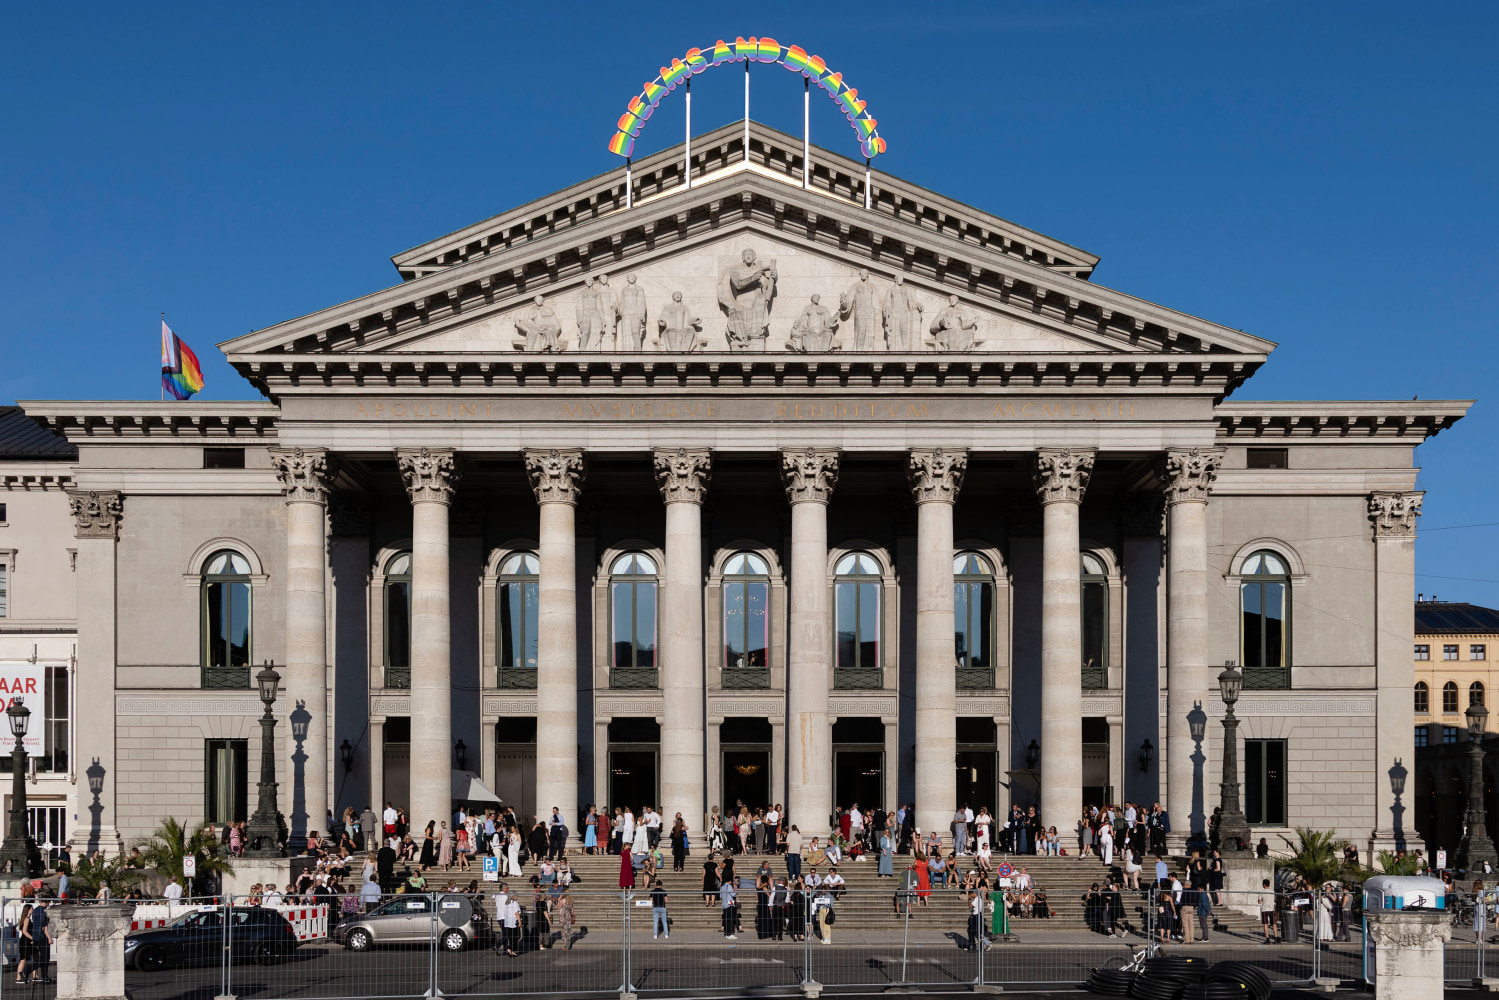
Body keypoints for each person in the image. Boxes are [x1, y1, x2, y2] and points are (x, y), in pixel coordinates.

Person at [28, 899, 51, 985]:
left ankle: (38, 974)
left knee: (39, 957)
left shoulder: (35, 911)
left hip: (36, 936)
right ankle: (44, 975)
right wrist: (49, 937)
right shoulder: (43, 912)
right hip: (42, 936)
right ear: (48, 902)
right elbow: (43, 926)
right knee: (45, 958)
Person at [1259, 878, 1280, 943]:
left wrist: (1262, 900)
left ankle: (1267, 939)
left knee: (1265, 924)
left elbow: (1259, 901)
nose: (1262, 885)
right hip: (1271, 909)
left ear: (1264, 885)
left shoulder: (1262, 892)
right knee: (1274, 924)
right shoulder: (1272, 891)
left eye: (1263, 883)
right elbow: (1274, 900)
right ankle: (1276, 938)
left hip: (1265, 909)